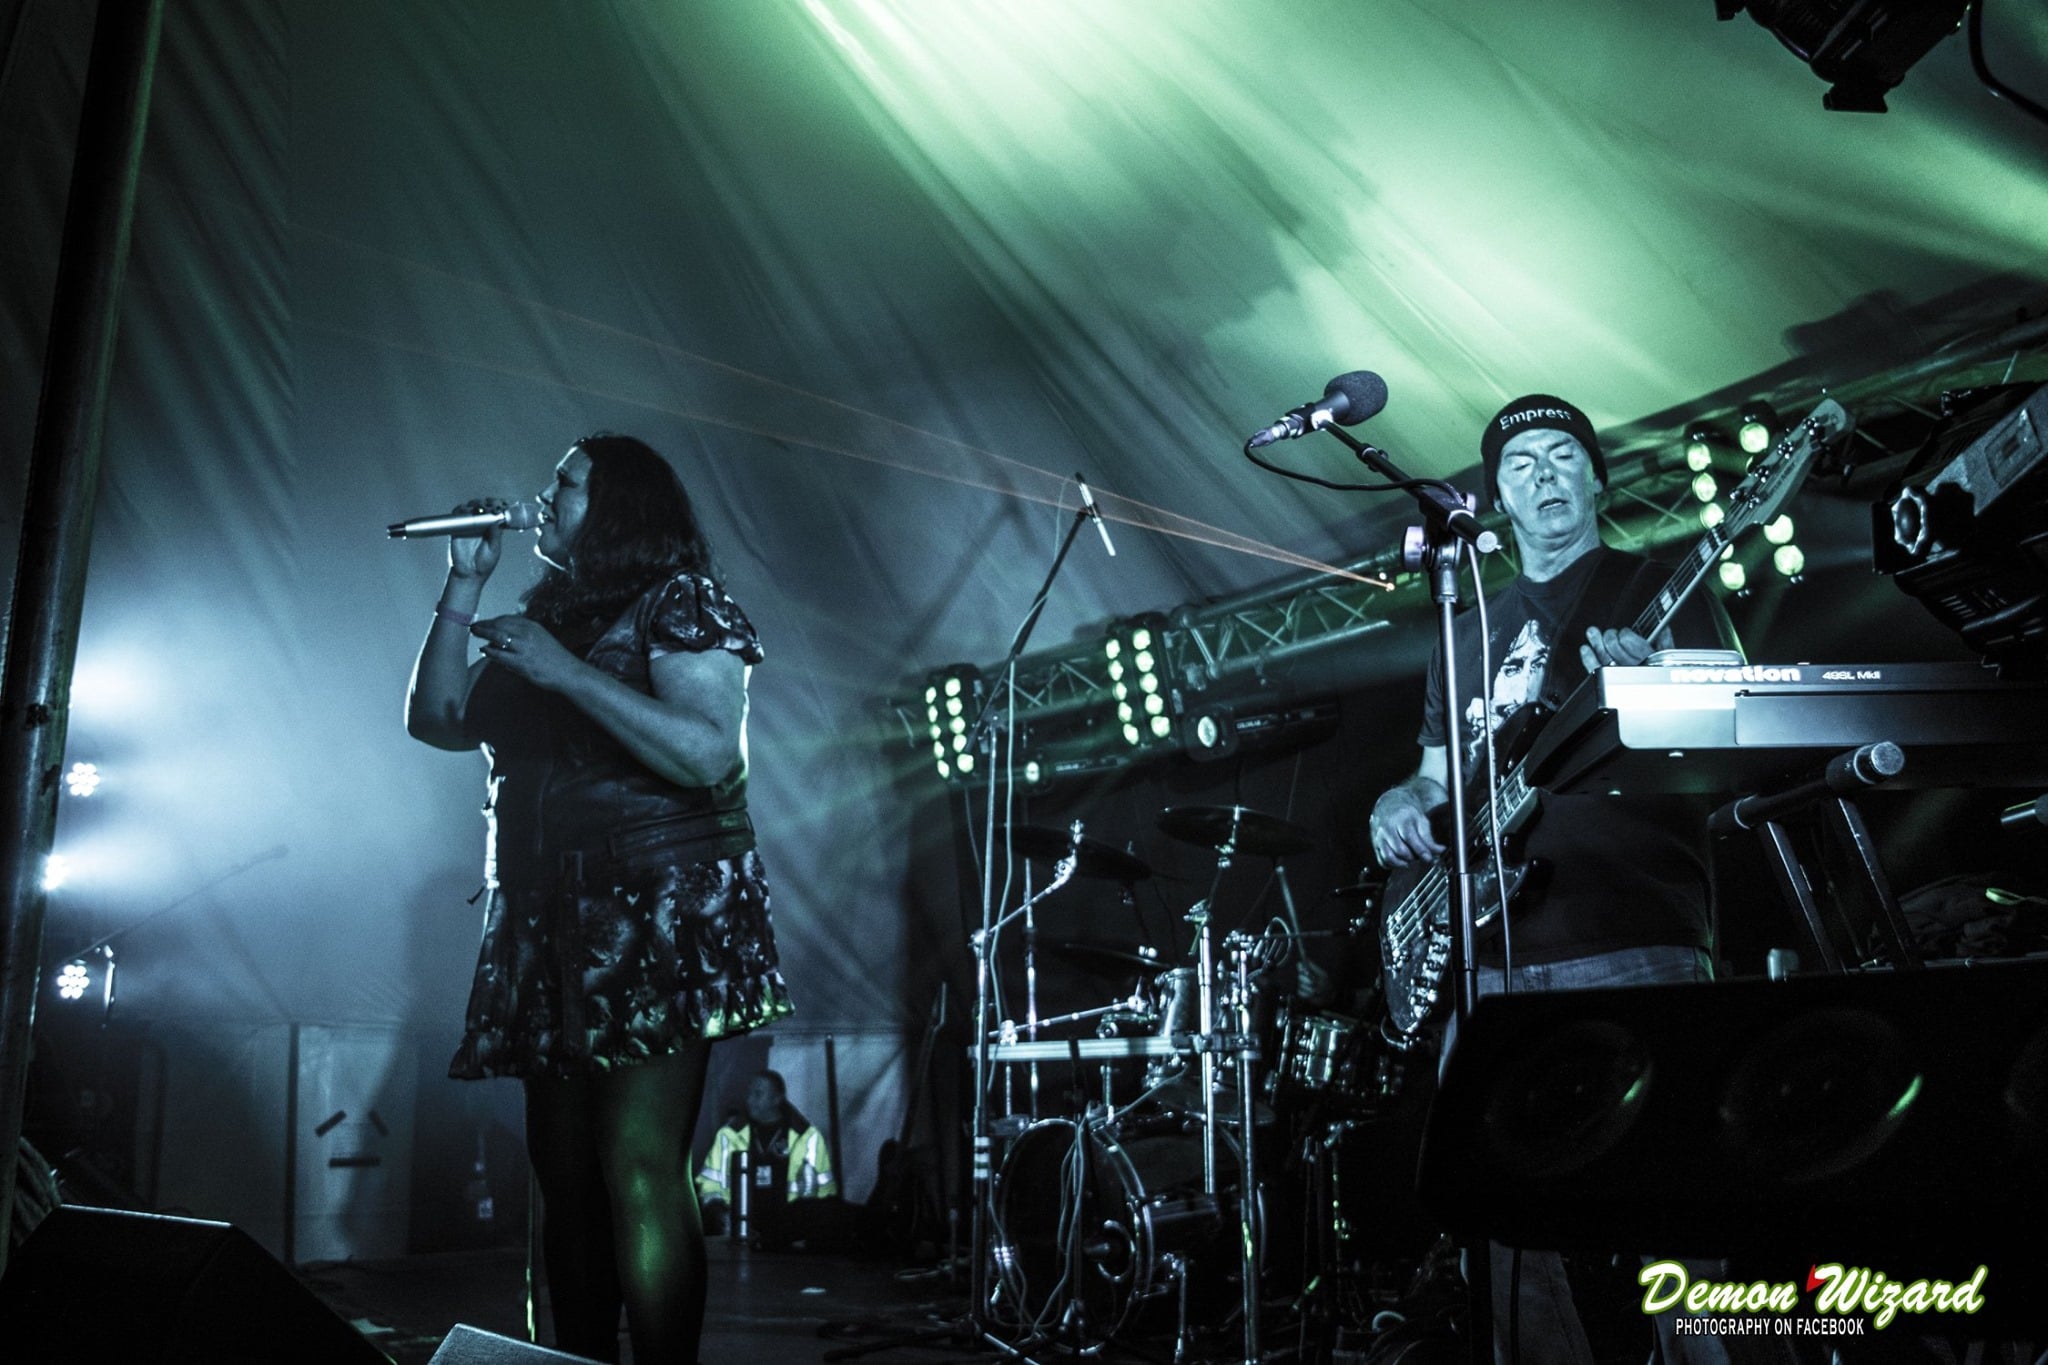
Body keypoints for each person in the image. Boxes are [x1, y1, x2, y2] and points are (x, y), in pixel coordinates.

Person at [406, 432, 792, 1365]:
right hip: (549, 913)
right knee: (564, 1176)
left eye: (566, 485)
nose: (544, 499)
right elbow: (436, 718)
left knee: (639, 1166)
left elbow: (708, 752)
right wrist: (462, 586)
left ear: (619, 508)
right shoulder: (552, 614)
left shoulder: (681, 600)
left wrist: (565, 673)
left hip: (654, 910)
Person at [1368, 395, 1738, 1363]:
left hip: (1629, 927)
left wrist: (1651, 682)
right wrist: (1399, 798)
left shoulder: (1652, 582)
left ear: (1597, 479)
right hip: (1489, 953)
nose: (1543, 473)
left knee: (1678, 1207)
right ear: (1497, 498)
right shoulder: (1464, 630)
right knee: (1505, 1220)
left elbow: (1730, 723)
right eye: (1521, 461)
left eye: (1563, 454)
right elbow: (1437, 777)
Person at [696, 1069, 837, 1240]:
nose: (749, 1100)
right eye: (749, 1093)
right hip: (740, 1233)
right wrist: (720, 1213)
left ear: (777, 1099)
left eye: (758, 1094)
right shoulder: (728, 1135)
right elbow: (710, 1183)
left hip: (789, 1237)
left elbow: (825, 1191)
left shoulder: (807, 1137)